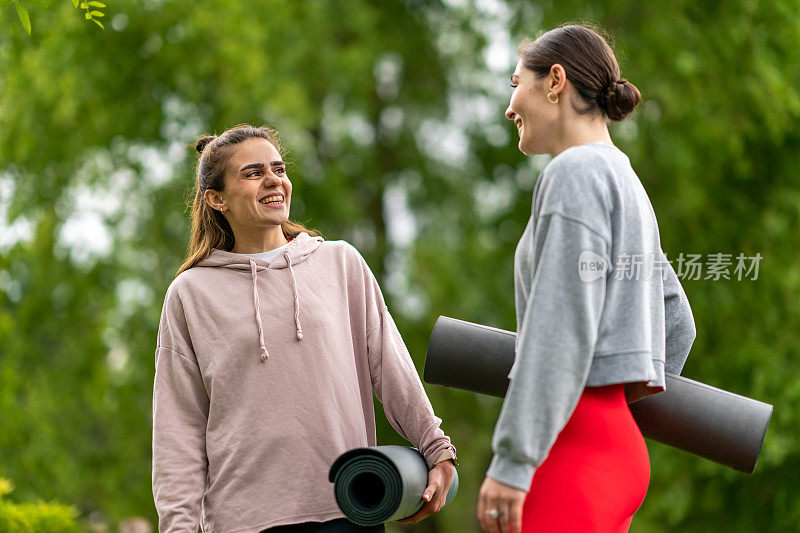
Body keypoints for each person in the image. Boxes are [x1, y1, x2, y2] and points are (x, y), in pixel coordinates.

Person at [152, 124, 456, 533]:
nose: (274, 180)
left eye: (278, 169)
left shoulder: (340, 263)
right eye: (254, 173)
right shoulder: (190, 294)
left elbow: (392, 369)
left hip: (349, 509)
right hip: (244, 521)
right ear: (216, 198)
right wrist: (178, 527)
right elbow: (178, 430)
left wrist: (437, 450)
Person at [476, 25, 696, 533]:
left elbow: (560, 329)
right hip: (616, 452)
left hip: (571, 450)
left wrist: (514, 459)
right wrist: (615, 407)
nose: (510, 107)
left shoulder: (572, 174)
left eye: (515, 83)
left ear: (555, 80)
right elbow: (678, 320)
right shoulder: (625, 180)